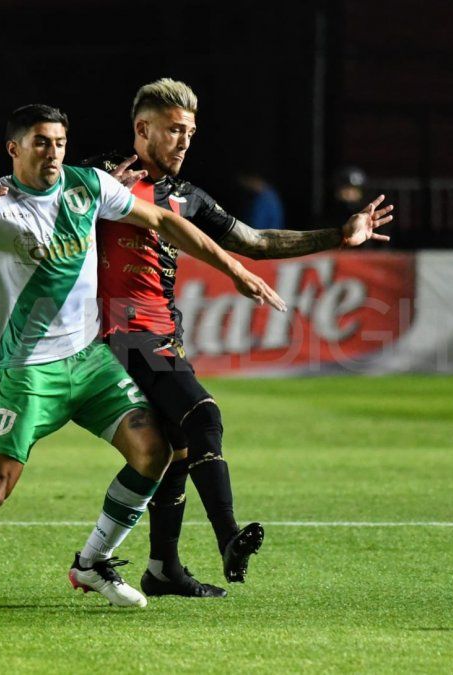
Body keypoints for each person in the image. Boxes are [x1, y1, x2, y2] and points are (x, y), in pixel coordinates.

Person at [0, 104, 285, 611]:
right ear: (14, 149)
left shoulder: (88, 186)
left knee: (154, 451)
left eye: (58, 141)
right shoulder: (0, 206)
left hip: (90, 359)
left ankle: (92, 563)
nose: (52, 151)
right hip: (29, 372)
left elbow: (164, 218)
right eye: (40, 142)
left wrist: (234, 269)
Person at [89, 79, 393, 598]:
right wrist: (82, 199)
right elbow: (35, 206)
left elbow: (256, 241)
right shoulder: (98, 179)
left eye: (190, 132)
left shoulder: (186, 197)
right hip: (121, 330)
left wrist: (339, 236)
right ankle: (228, 536)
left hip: (164, 330)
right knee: (203, 416)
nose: (184, 142)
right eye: (173, 131)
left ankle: (162, 569)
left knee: (176, 447)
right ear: (142, 129)